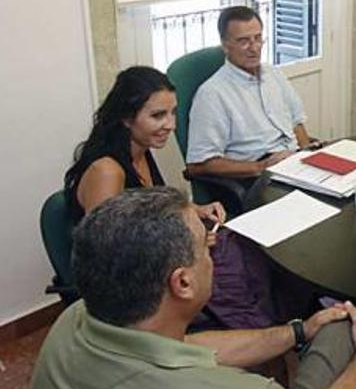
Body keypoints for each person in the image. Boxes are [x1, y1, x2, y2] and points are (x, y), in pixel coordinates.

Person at [31, 187, 356, 389]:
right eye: (205, 246)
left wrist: (297, 332)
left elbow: (188, 346)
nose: (214, 255)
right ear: (182, 282)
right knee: (343, 332)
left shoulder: (71, 323)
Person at [64, 66, 275, 330]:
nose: (171, 125)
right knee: (238, 281)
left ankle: (268, 334)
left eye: (173, 113)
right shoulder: (107, 171)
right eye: (158, 115)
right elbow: (112, 257)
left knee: (251, 252)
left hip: (160, 259)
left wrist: (193, 210)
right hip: (140, 286)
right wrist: (188, 241)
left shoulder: (139, 149)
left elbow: (147, 212)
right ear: (127, 118)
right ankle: (266, 338)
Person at [187, 6, 317, 180]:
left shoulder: (273, 74)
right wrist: (261, 167)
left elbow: (296, 123)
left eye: (258, 38)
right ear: (225, 46)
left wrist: (308, 157)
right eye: (244, 41)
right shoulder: (212, 94)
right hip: (255, 174)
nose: (254, 48)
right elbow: (198, 165)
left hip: (293, 162)